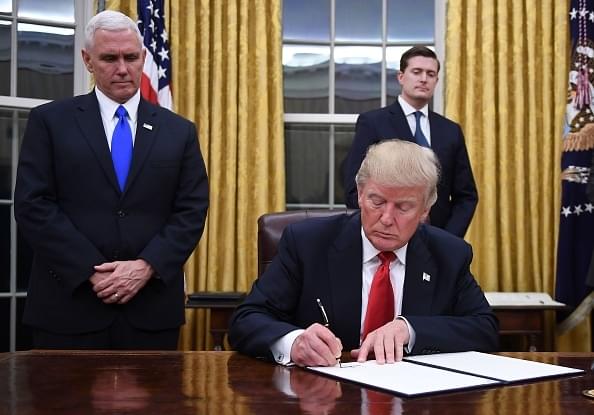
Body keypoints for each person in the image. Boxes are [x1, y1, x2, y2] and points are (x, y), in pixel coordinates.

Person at [14, 10, 208, 350]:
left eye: (131, 57)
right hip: (68, 309)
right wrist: (91, 271)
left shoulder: (179, 131)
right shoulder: (50, 122)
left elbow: (191, 210)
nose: (122, 68)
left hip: (150, 313)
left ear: (143, 57)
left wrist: (146, 267)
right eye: (109, 58)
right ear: (87, 60)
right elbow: (33, 206)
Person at [229, 140, 497, 367]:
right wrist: (294, 342)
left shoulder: (449, 254)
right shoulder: (307, 243)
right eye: (376, 201)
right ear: (359, 194)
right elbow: (246, 320)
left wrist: (411, 330)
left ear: (426, 209)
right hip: (324, 397)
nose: (386, 218)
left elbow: (485, 329)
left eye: (403, 207)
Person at [342, 46, 478, 238]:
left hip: (438, 239)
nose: (424, 78)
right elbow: (353, 190)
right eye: (417, 72)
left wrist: (448, 239)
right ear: (401, 77)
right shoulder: (373, 123)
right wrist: (383, 226)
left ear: (436, 81)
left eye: (430, 74)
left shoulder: (450, 130)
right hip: (386, 236)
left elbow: (466, 195)